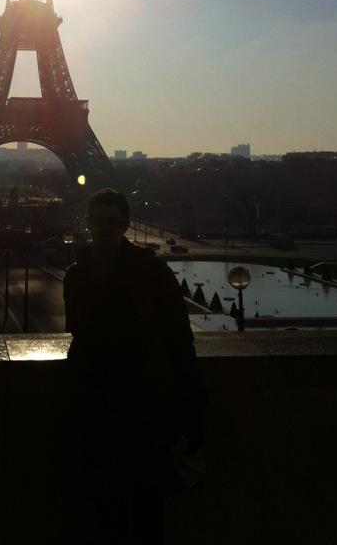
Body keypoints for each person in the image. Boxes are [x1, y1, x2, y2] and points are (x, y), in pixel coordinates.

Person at [63, 188, 204, 544]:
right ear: (89, 223)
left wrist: (188, 408)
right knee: (120, 512)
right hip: (107, 409)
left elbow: (179, 342)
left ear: (125, 225)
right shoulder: (80, 276)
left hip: (141, 410)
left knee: (137, 511)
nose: (106, 228)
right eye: (99, 221)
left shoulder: (149, 273)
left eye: (113, 221)